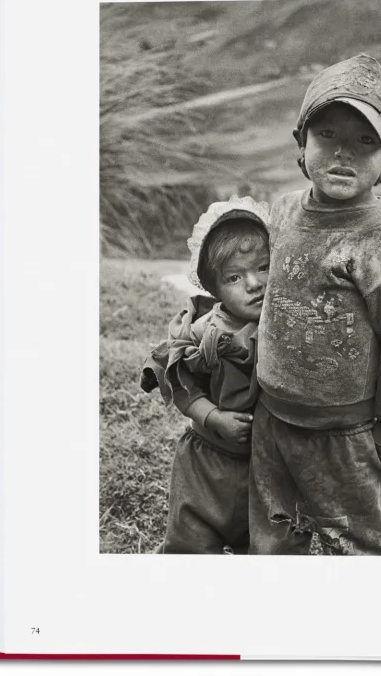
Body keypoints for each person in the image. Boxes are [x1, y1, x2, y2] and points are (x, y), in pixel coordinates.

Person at [250, 53, 381, 555]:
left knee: (354, 547)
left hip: (344, 436)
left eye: (364, 141)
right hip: (270, 420)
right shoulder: (282, 212)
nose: (342, 154)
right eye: (327, 135)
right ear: (300, 144)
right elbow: (258, 294)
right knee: (273, 538)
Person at [141, 196, 271, 554]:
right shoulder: (204, 332)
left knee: (267, 544)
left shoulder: (287, 323)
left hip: (265, 469)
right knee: (192, 543)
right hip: (206, 466)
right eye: (234, 277)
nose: (254, 283)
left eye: (263, 267)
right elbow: (182, 384)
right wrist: (213, 417)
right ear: (213, 288)